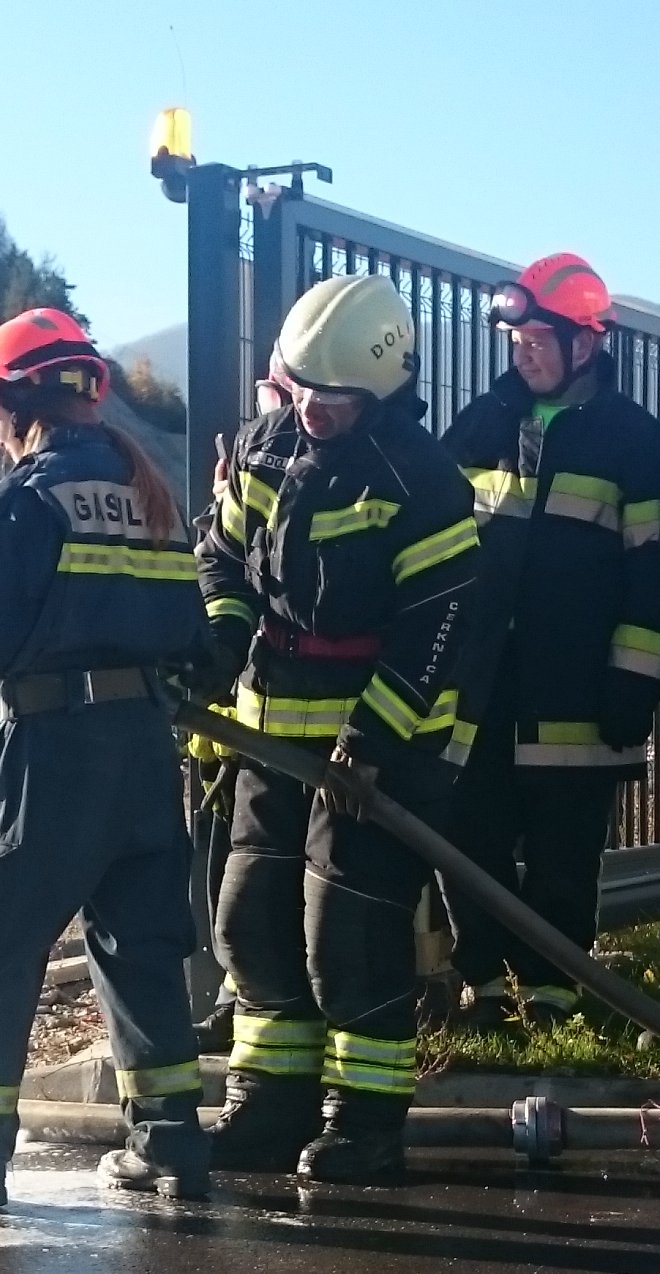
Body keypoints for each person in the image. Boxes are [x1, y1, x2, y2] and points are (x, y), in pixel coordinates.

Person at [0, 308, 213, 1212]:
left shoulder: (23, 501)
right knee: (142, 950)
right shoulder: (151, 496)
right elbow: (189, 632)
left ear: (23, 402)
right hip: (145, 753)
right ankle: (171, 1147)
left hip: (54, 755)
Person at [197, 274, 482, 1184]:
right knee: (252, 923)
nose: (312, 410)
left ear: (384, 390)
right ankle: (267, 1105)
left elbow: (437, 622)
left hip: (375, 758)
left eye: (335, 398)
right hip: (271, 740)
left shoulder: (422, 482)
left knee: (347, 939)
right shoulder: (265, 446)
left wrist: (374, 740)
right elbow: (221, 555)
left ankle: (364, 1123)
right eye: (300, 389)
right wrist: (222, 638)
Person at [436, 253, 660, 1025]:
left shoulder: (636, 444)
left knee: (564, 847)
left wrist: (634, 682)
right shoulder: (482, 426)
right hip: (482, 682)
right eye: (518, 340)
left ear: (587, 342)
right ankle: (483, 984)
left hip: (578, 684)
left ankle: (552, 990)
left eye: (539, 339)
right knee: (466, 832)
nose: (524, 353)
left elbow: (656, 578)